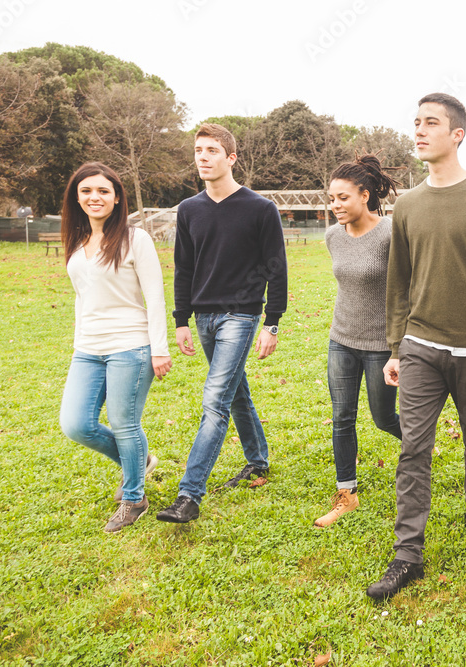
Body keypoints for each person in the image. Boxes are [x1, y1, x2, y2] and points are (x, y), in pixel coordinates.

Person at [365, 93, 466, 600]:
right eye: (416, 122)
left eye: (430, 122)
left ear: (457, 134)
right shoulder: (408, 205)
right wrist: (396, 348)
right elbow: (398, 282)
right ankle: (407, 554)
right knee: (413, 447)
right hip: (419, 346)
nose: (419, 130)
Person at [156, 123, 287, 524]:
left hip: (240, 316)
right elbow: (183, 268)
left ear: (231, 158)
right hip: (203, 318)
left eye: (212, 150)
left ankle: (189, 495)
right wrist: (180, 320)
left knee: (215, 400)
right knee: (234, 392)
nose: (203, 157)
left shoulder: (260, 208)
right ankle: (258, 460)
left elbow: (276, 268)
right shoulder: (189, 209)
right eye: (198, 150)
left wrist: (272, 323)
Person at [58, 162, 171, 533]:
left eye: (103, 191)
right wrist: (79, 343)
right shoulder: (77, 241)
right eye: (87, 191)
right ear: (77, 198)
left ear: (117, 197)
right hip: (88, 349)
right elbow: (82, 297)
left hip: (131, 345)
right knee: (76, 424)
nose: (95, 197)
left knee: (124, 424)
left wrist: (159, 348)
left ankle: (134, 498)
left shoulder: (135, 239)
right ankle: (139, 461)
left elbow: (155, 296)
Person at [317, 155, 403, 528]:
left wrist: (399, 346)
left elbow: (404, 290)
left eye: (342, 198)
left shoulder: (390, 233)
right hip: (341, 340)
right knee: (342, 417)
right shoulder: (332, 236)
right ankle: (346, 493)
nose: (335, 205)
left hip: (380, 345)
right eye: (331, 199)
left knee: (383, 418)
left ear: (364, 196)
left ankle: (418, 443)